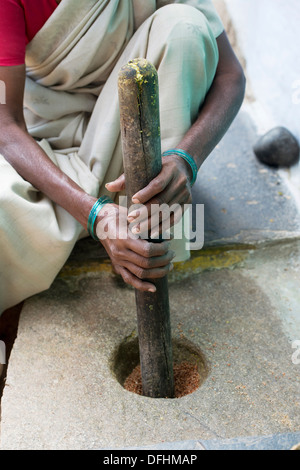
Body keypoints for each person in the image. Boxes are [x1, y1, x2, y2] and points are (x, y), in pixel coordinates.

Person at [0, 0, 245, 315]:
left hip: (135, 137)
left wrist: (185, 159)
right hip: (51, 142)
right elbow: (7, 128)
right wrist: (96, 215)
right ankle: (109, 216)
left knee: (184, 26)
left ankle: (148, 227)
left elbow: (231, 77)